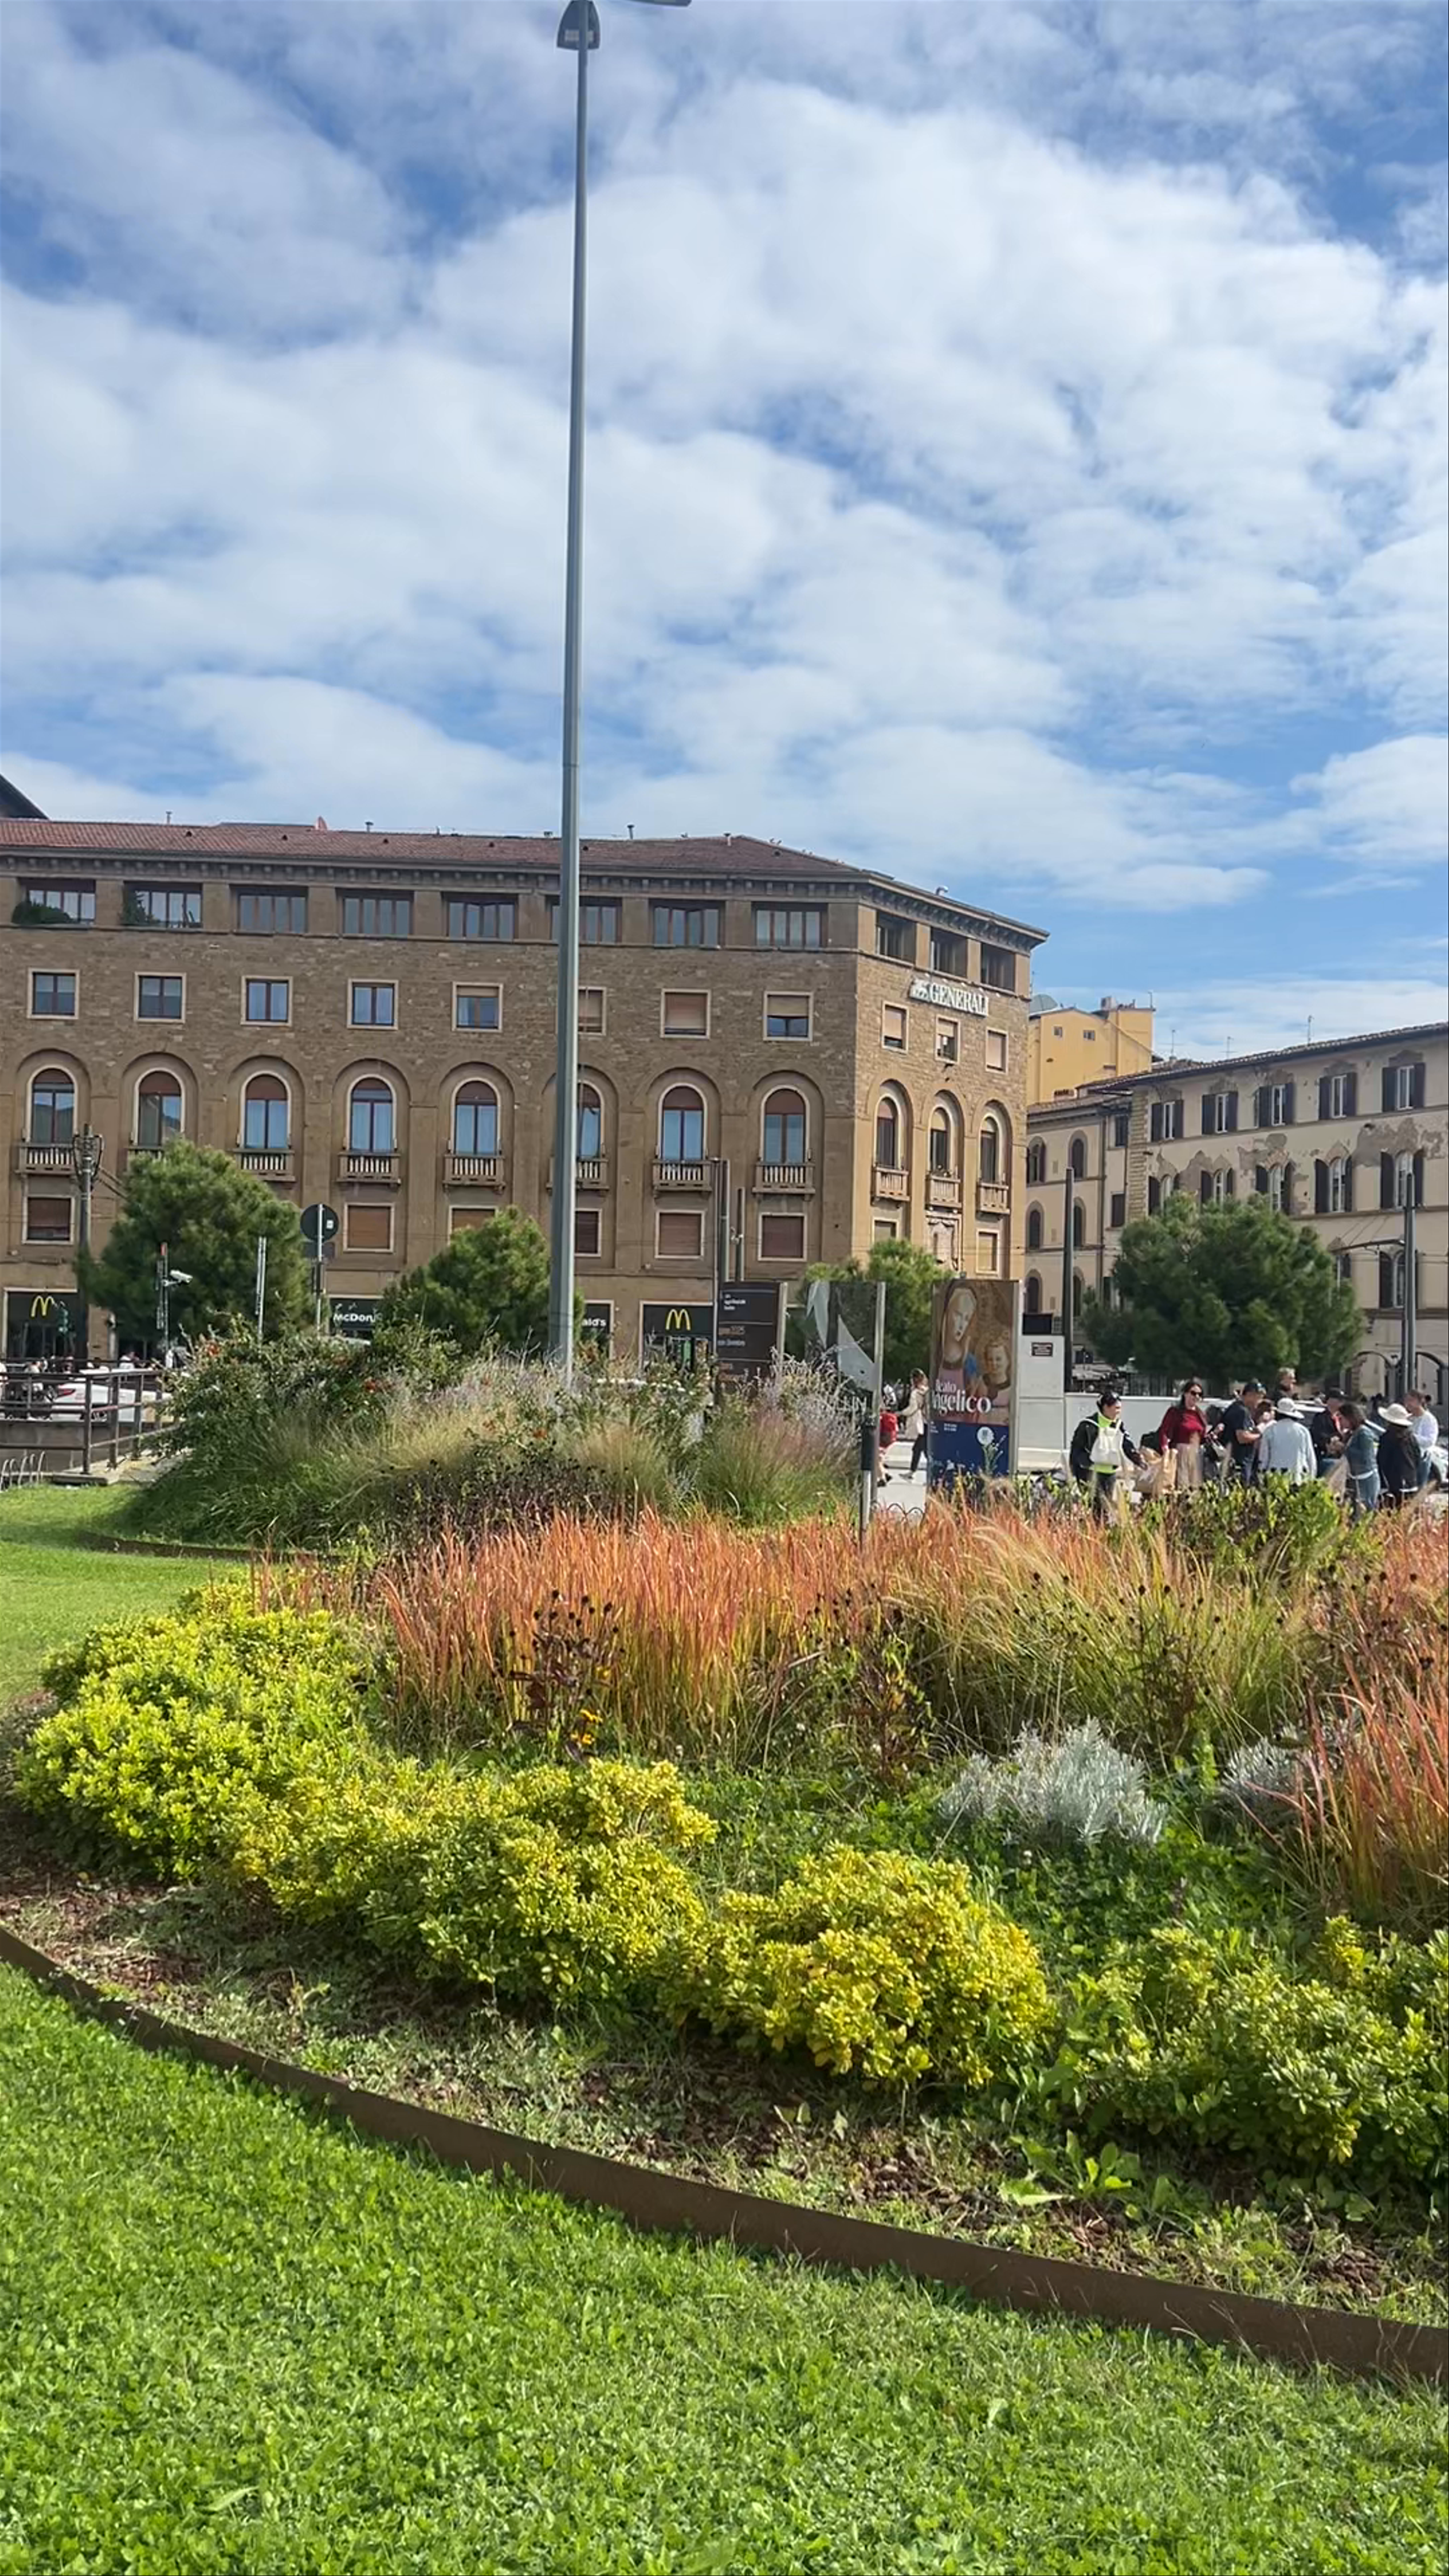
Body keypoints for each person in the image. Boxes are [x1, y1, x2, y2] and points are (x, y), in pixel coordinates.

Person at [1069, 1390, 1140, 1518]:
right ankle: (1096, 1527)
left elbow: (1127, 1445)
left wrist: (1138, 1460)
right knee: (1096, 1507)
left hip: (1110, 1474)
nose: (1119, 1412)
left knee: (1106, 1508)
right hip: (1091, 1472)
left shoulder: (1119, 1425)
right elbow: (1076, 1449)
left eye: (1120, 1409)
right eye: (1116, 1408)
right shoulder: (1088, 1425)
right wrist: (1075, 1470)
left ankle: (1102, 1526)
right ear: (1106, 1407)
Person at [1157, 1380, 1208, 1488]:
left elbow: (1203, 1436)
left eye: (1200, 1395)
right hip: (1181, 1451)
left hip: (1197, 1453)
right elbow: (1164, 1431)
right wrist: (1165, 1446)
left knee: (1196, 1486)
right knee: (1182, 1485)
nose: (1197, 1397)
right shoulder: (1175, 1412)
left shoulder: (1200, 1414)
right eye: (1193, 1393)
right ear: (1185, 1394)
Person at [1257, 1396, 1317, 1484]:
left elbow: (1264, 1457)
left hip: (1275, 1478)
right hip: (1298, 1477)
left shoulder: (1270, 1431)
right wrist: (1312, 1477)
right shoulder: (1303, 1431)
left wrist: (1261, 1477)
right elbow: (1310, 1457)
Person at [1375, 1404, 1421, 1509]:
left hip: (1393, 1485)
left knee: (1392, 1512)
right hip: (1411, 1482)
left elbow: (1382, 1461)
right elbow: (1418, 1458)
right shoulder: (1411, 1438)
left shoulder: (1387, 1438)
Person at [1220, 1380, 1266, 1483]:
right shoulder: (1241, 1411)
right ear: (1250, 1395)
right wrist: (1260, 1436)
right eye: (1259, 1398)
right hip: (1238, 1463)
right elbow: (1242, 1437)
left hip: (1237, 1462)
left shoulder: (1240, 1409)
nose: (1260, 1402)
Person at [1340, 1402, 1380, 1517]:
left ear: (1350, 1418)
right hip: (1356, 1477)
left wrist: (1343, 1448)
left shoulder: (1364, 1433)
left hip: (1366, 1479)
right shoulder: (1353, 1433)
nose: (1341, 1422)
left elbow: (1364, 1457)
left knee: (1365, 1513)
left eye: (1342, 1418)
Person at [1310, 1386, 1345, 1475]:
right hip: (1326, 1458)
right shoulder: (1321, 1418)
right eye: (1339, 1400)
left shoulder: (1341, 1418)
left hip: (1340, 1458)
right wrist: (1332, 1442)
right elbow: (1318, 1436)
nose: (1342, 1403)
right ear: (1330, 1401)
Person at [1406, 1390, 1440, 1477]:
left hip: (1422, 1459)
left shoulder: (1429, 1419)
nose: (1408, 1403)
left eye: (1411, 1400)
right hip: (1407, 1458)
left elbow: (1430, 1441)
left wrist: (1411, 1437)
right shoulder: (1408, 1419)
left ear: (1420, 1402)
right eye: (1407, 1400)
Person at [903, 1370, 929, 1477]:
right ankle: (913, 1472)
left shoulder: (917, 1392)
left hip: (925, 1423)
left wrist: (901, 1413)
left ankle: (914, 1472)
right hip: (927, 1422)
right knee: (921, 1449)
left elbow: (913, 1408)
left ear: (915, 1379)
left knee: (920, 1449)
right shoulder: (926, 1390)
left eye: (912, 1378)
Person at [877, 1397, 899, 1484]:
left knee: (877, 1460)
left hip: (883, 1440)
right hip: (890, 1440)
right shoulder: (892, 1417)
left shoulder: (882, 1417)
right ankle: (886, 1474)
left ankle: (882, 1478)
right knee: (880, 1458)